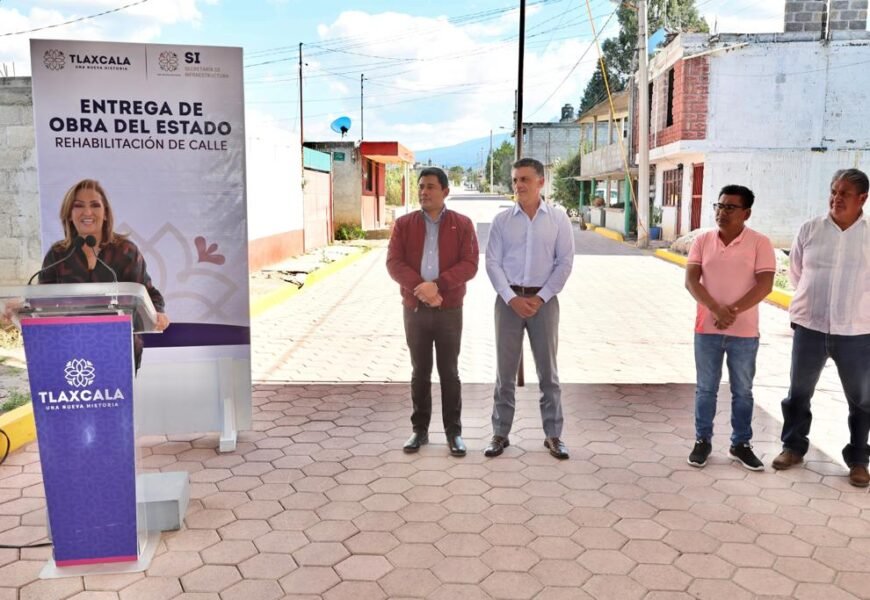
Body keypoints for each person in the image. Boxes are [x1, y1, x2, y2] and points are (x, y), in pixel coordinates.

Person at [773, 168, 870, 487]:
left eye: (844, 193)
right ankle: (793, 447)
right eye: (833, 190)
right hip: (810, 328)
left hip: (856, 332)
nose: (836, 197)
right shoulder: (810, 229)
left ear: (863, 199)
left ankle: (858, 460)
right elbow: (798, 273)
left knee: (862, 399)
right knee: (798, 393)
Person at [484, 157, 574, 459]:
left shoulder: (559, 219)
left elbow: (565, 263)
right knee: (504, 372)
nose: (519, 185)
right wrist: (511, 297)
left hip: (544, 303)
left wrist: (541, 297)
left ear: (540, 182)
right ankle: (500, 433)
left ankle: (553, 435)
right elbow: (492, 263)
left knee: (548, 372)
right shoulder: (502, 221)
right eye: (515, 180)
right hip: (508, 302)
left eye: (524, 179)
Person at [386, 167, 479, 456]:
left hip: (449, 308)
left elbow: (470, 264)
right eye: (421, 187)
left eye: (430, 187)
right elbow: (394, 263)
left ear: (445, 192)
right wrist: (421, 289)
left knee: (449, 372)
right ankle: (419, 431)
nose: (424, 192)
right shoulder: (404, 224)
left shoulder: (462, 224)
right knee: (420, 371)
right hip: (415, 309)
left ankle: (454, 433)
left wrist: (438, 287)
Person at [685, 185, 775, 471]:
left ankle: (740, 444)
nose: (722, 212)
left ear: (746, 213)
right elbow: (691, 281)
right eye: (719, 206)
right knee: (706, 389)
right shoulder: (702, 240)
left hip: (744, 333)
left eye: (730, 208)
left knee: (743, 391)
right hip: (706, 330)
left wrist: (731, 312)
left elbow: (765, 285)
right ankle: (702, 441)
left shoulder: (760, 243)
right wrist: (715, 309)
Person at [39, 179, 169, 370]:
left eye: (95, 205)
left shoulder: (125, 251)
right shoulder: (57, 254)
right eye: (78, 206)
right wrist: (21, 306)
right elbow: (42, 302)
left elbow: (150, 295)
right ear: (69, 213)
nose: (87, 212)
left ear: (106, 213)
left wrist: (157, 313)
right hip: (68, 351)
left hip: (118, 351)